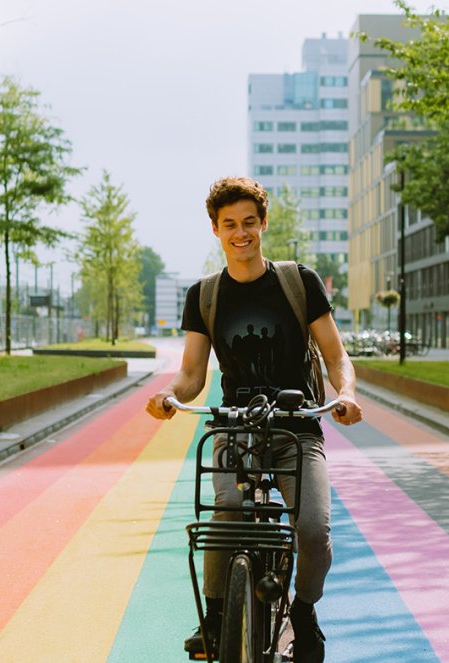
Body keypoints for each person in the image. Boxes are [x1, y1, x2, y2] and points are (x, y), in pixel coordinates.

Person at [146, 176, 362, 663]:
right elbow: (191, 375)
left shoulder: (298, 282)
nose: (240, 232)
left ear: (263, 223)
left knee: (312, 531)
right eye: (229, 225)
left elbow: (336, 355)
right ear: (216, 230)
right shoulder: (205, 295)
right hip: (234, 426)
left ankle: (303, 613)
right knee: (226, 513)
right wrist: (167, 395)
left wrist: (345, 392)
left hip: (297, 427)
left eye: (249, 222)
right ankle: (219, 617)